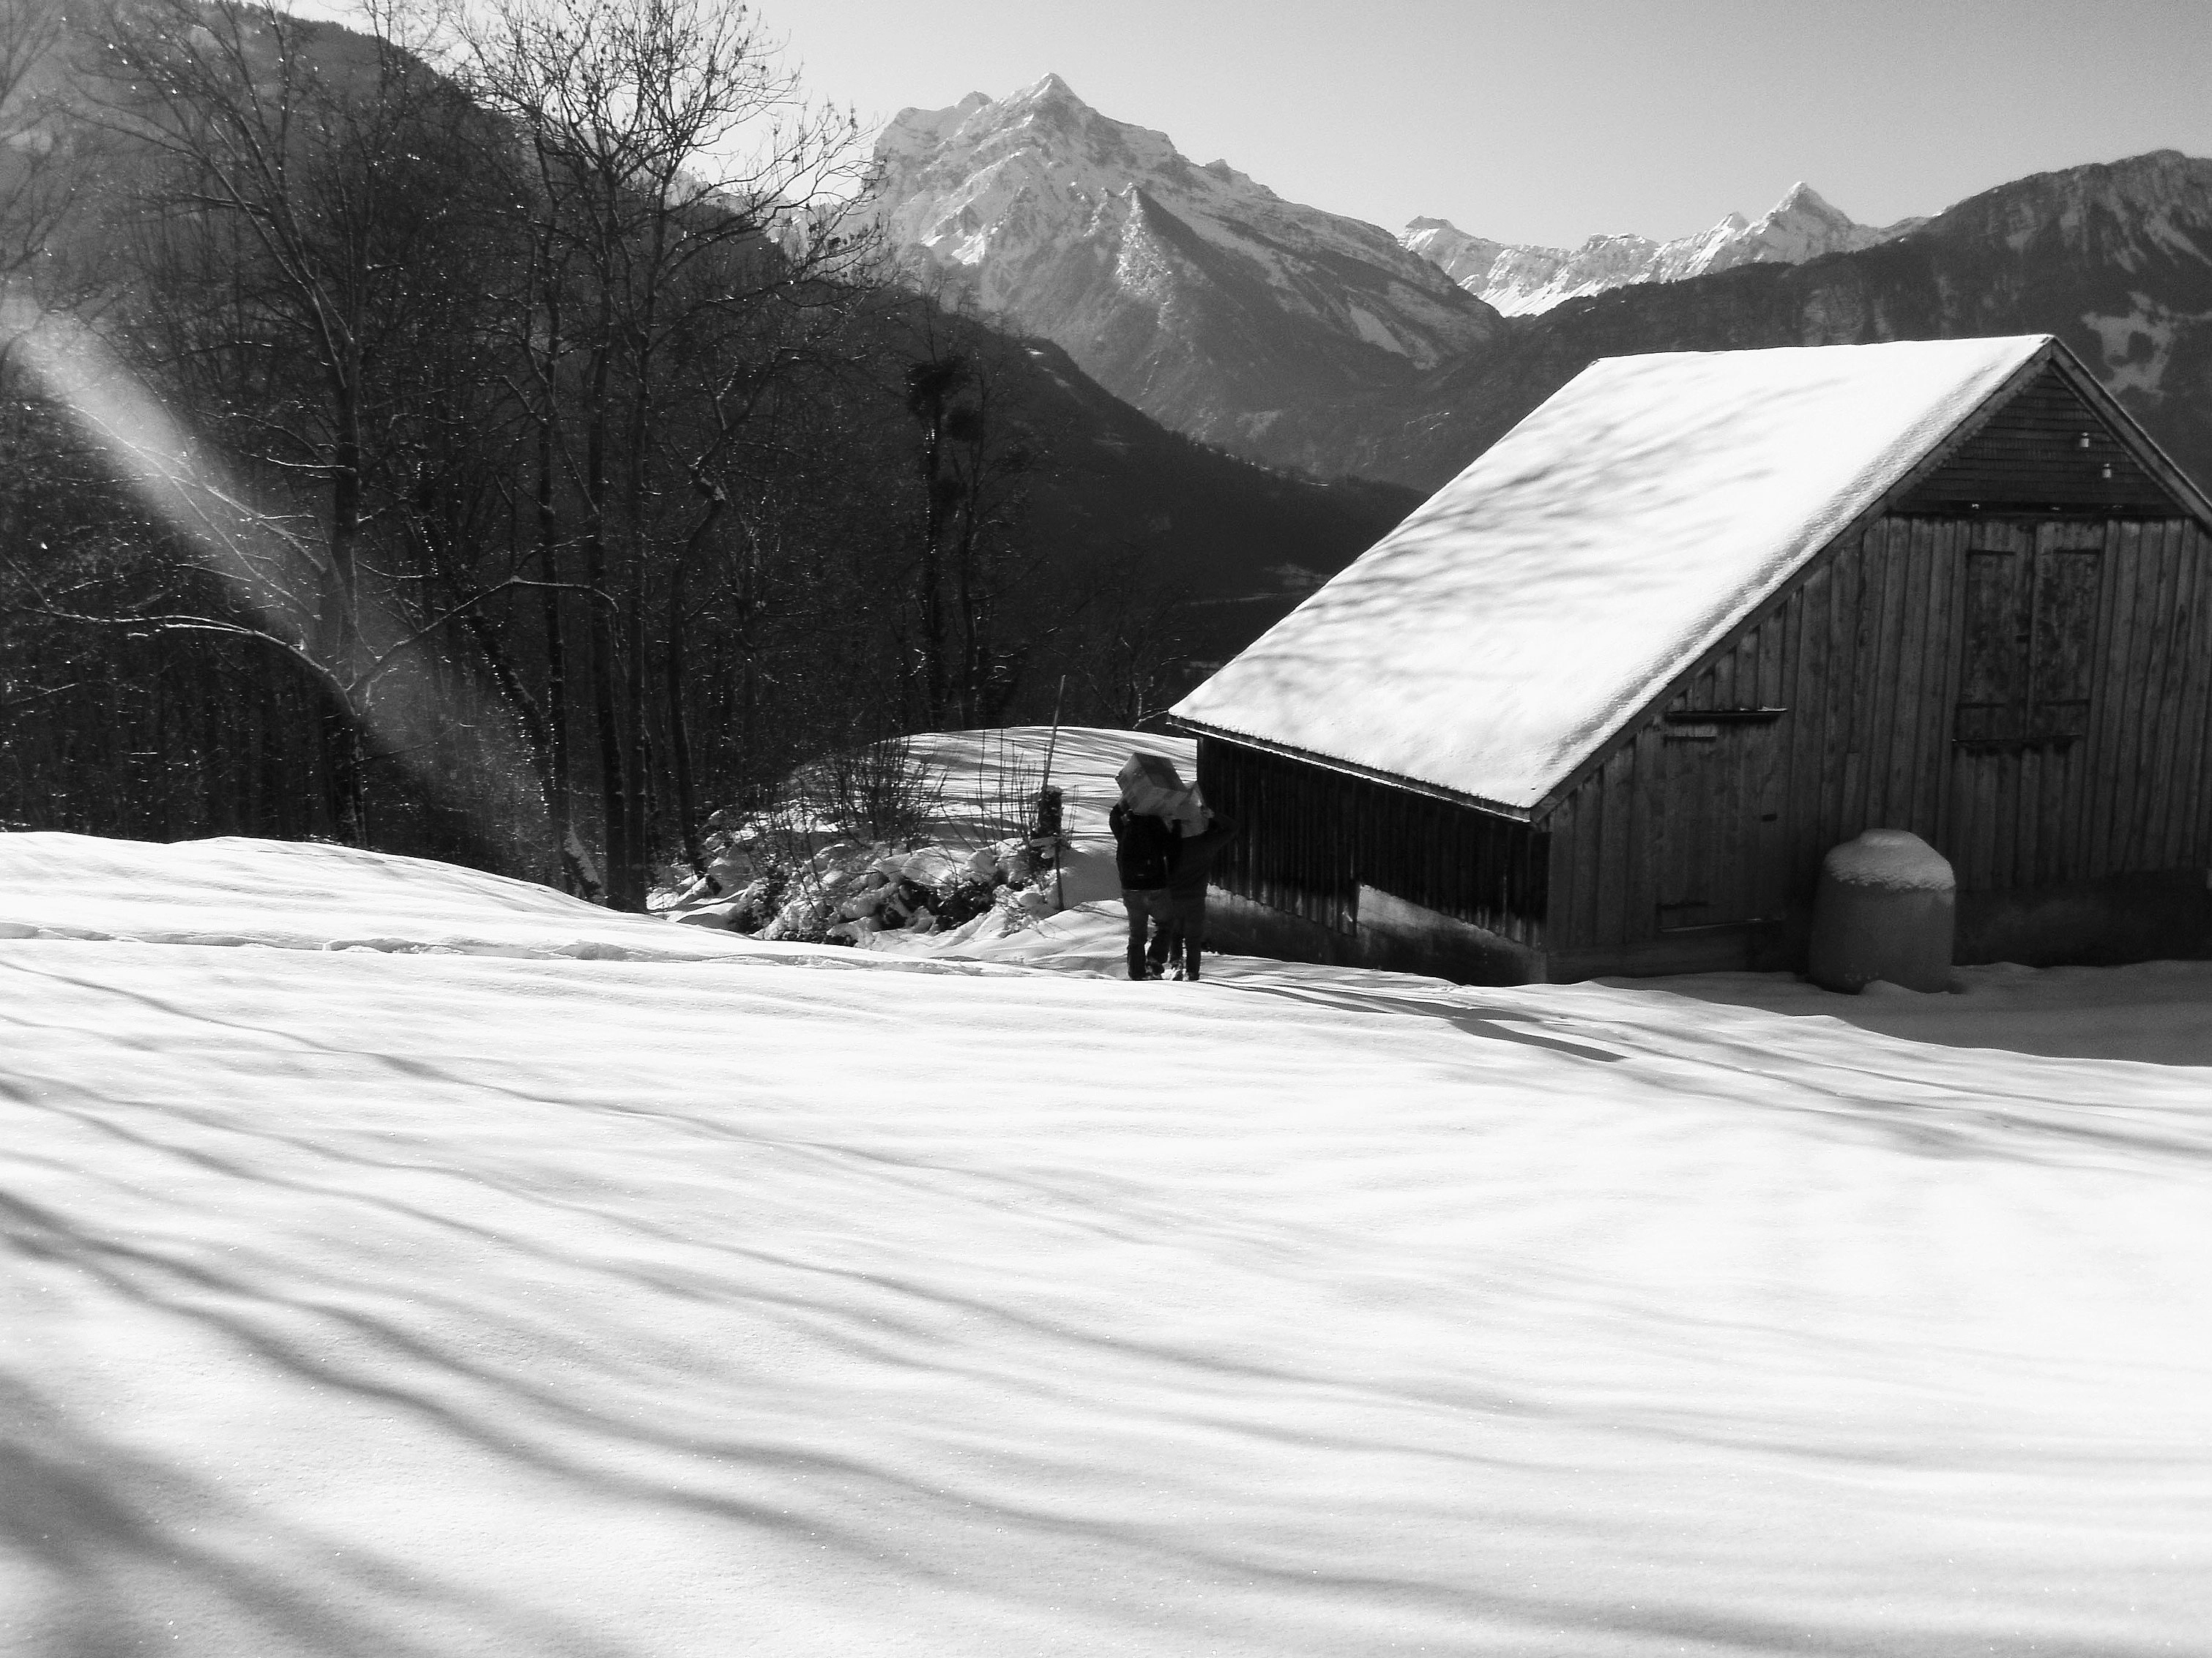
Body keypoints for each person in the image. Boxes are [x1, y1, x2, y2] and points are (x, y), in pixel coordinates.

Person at [1110, 753, 1184, 981]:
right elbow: (1172, 849)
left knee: (1137, 934)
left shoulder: (1127, 827)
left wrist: (1128, 797)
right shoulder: (1155, 825)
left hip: (1131, 888)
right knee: (1166, 924)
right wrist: (1177, 824)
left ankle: (1136, 973)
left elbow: (1114, 817)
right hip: (1155, 886)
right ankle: (1154, 959)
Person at [1147, 806, 1238, 982]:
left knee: (1174, 933)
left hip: (1173, 897)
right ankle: (1192, 973)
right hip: (1195, 899)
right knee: (1193, 938)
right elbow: (1233, 828)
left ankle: (1176, 964)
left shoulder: (1170, 844)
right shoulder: (1205, 844)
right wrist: (1215, 815)